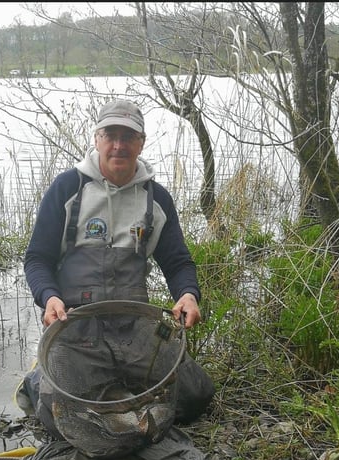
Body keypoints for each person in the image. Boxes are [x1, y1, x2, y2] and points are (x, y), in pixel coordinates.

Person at [16, 99, 215, 439]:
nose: (119, 145)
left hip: (133, 327)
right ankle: (39, 378)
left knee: (196, 394)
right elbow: (37, 259)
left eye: (128, 136)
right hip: (75, 328)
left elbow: (178, 262)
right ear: (96, 138)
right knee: (58, 415)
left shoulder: (156, 199)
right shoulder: (67, 189)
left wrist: (187, 295)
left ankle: (115, 388)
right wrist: (48, 298)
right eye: (110, 134)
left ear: (142, 142)